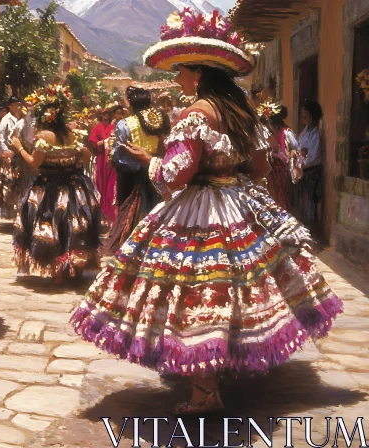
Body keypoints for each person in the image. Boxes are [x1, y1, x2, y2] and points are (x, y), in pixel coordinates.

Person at [71, 10, 342, 414]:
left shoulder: (196, 113)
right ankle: (221, 367)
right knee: (237, 287)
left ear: (198, 73)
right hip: (237, 204)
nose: (178, 77)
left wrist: (151, 161)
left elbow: (176, 176)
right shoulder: (242, 114)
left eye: (182, 70)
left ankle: (204, 389)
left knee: (195, 288)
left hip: (200, 211)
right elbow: (260, 167)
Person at [10, 84, 100, 284]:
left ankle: (57, 271)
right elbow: (86, 155)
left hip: (49, 187)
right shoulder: (70, 134)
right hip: (74, 185)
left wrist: (19, 148)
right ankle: (75, 268)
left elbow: (34, 163)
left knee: (51, 226)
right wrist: (70, 159)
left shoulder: (44, 137)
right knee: (74, 225)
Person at [103, 86, 169, 254]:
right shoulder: (161, 119)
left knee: (129, 213)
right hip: (155, 170)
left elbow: (119, 156)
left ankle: (131, 250)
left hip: (131, 176)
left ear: (131, 103)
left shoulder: (125, 124)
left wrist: (114, 158)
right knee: (157, 208)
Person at [260, 102, 303, 211]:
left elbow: (294, 153)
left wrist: (294, 173)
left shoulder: (287, 133)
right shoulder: (270, 133)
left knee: (282, 201)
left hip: (283, 173)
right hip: (272, 173)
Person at [0, 97, 26, 219]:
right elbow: (1, 137)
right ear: (10, 106)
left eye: (19, 103)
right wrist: (6, 151)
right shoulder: (6, 119)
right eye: (16, 104)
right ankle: (11, 212)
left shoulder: (22, 118)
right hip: (10, 153)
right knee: (8, 184)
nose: (19, 106)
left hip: (20, 153)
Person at [88, 103, 123, 223]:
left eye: (108, 113)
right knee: (101, 183)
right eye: (104, 113)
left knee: (112, 184)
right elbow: (92, 140)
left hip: (112, 159)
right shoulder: (97, 127)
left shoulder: (116, 126)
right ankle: (102, 211)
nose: (106, 116)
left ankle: (111, 211)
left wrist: (107, 142)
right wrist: (99, 143)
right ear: (101, 115)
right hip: (102, 159)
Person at [298, 100, 324, 235]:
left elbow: (313, 156)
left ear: (313, 116)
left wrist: (300, 162)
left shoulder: (316, 134)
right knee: (303, 201)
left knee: (309, 202)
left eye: (306, 116)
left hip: (312, 172)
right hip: (304, 171)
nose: (303, 119)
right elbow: (300, 146)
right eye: (302, 116)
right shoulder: (306, 131)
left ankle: (310, 232)